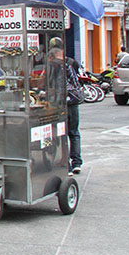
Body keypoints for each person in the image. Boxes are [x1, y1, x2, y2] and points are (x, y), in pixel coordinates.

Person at [50, 38, 82, 174]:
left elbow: (55, 85)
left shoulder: (54, 65)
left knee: (62, 134)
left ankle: (66, 165)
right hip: (74, 101)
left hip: (62, 103)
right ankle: (77, 163)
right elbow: (77, 79)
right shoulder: (72, 62)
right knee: (74, 133)